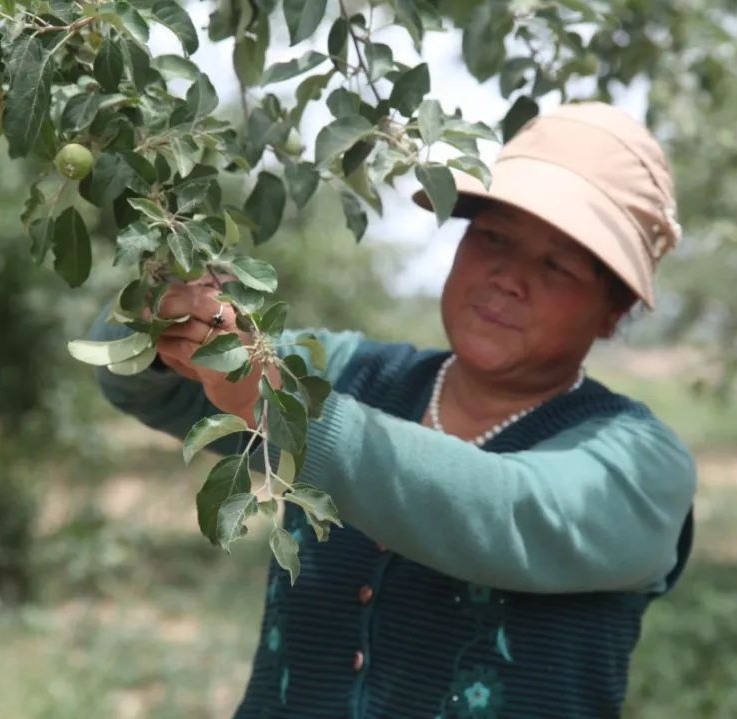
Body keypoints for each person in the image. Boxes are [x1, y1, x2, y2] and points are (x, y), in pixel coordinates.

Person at [89, 102, 696, 718]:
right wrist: (173, 316)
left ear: (612, 312)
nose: (510, 279)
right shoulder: (345, 370)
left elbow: (506, 509)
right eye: (494, 238)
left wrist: (280, 404)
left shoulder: (642, 467)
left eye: (557, 266)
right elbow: (138, 378)